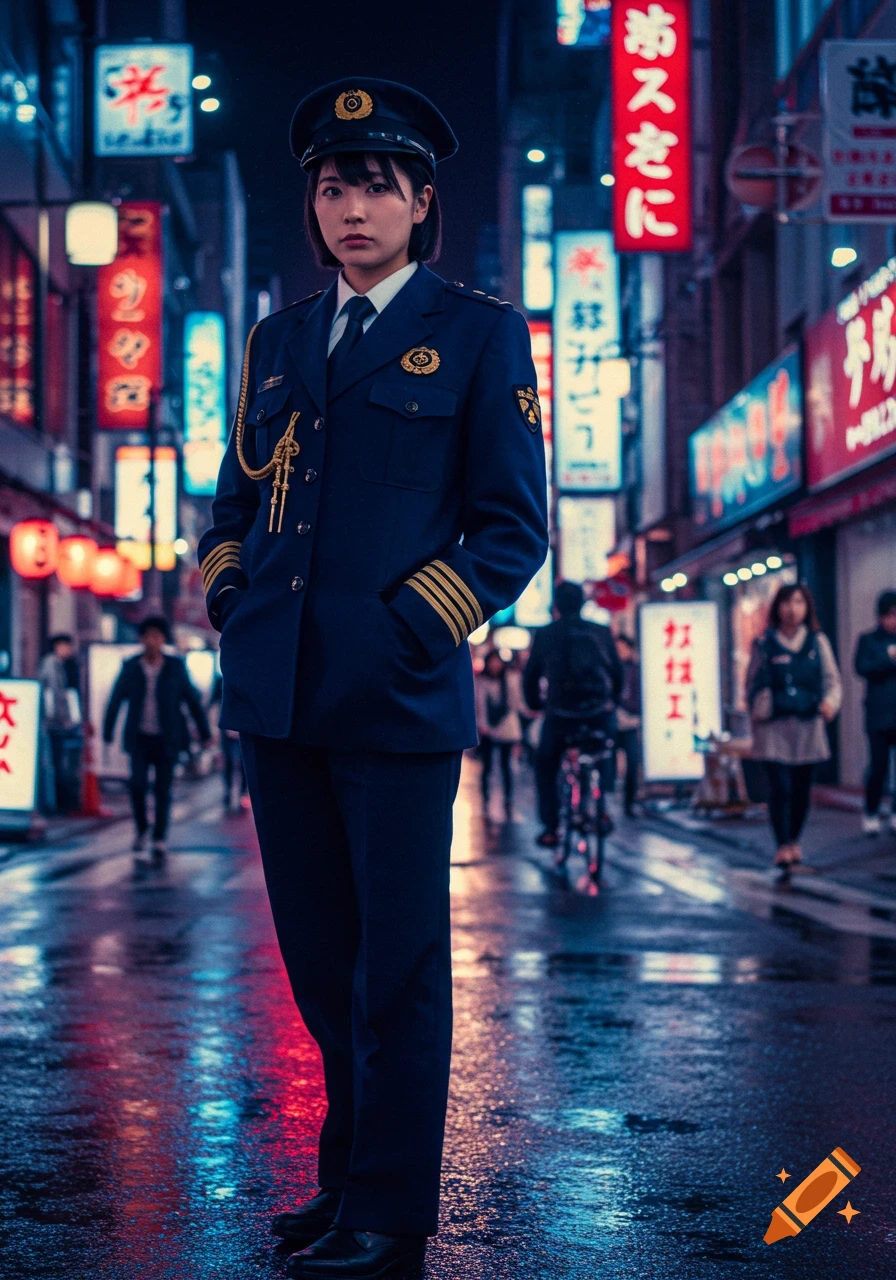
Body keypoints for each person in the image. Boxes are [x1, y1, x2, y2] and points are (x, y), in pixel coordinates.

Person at [196, 79, 548, 1279]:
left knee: (395, 968)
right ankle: (345, 1178)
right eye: (332, 186)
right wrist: (229, 598)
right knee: (317, 958)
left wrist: (415, 625)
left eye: (376, 186)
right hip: (280, 696)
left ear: (420, 202)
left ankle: (391, 1208)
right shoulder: (278, 338)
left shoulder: (478, 329)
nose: (351, 207)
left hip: (395, 701)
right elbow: (232, 502)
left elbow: (510, 529)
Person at [746, 583, 841, 873]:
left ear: (807, 607)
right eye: (787, 602)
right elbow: (751, 683)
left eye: (799, 602)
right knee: (780, 788)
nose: (792, 608)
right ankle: (782, 844)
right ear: (777, 607)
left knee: (801, 789)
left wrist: (829, 705)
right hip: (773, 728)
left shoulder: (817, 642)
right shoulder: (765, 643)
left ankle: (795, 840)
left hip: (808, 726)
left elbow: (832, 680)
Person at [522, 581, 623, 848]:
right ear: (583, 604)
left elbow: (530, 676)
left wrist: (535, 704)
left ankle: (551, 827)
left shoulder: (546, 634)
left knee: (545, 765)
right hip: (597, 712)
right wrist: (612, 701)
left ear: (555, 607)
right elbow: (617, 672)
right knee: (604, 751)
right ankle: (602, 807)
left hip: (560, 715)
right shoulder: (601, 632)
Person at [103, 616, 211, 857]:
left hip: (167, 739)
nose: (152, 641)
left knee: (163, 789)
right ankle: (142, 828)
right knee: (137, 785)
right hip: (139, 737)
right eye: (147, 636)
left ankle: (160, 836)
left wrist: (205, 733)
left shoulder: (175, 667)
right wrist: (108, 730)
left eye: (157, 636)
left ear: (163, 639)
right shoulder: (131, 666)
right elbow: (116, 699)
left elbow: (192, 700)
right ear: (141, 639)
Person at [854, 589, 896, 834]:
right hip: (878, 715)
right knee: (878, 767)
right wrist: (888, 660)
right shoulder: (868, 640)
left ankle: (894, 812)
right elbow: (861, 667)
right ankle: (871, 810)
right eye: (890, 615)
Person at [474, 649, 527, 818]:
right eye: (492, 661)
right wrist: (480, 725)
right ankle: (484, 797)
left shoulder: (511, 679)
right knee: (487, 765)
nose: (495, 665)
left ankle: (508, 797)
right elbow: (478, 704)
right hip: (486, 728)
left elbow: (517, 703)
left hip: (506, 728)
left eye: (498, 661)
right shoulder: (480, 681)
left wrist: (530, 712)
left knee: (506, 765)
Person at [37, 633, 82, 813]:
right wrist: (63, 718)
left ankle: (58, 802)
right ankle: (55, 803)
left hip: (58, 722)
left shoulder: (62, 665)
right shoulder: (51, 664)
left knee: (59, 762)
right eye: (67, 646)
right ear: (58, 646)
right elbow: (55, 694)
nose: (69, 650)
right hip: (54, 723)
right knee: (56, 763)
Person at [209, 671, 247, 810]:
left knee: (244, 764)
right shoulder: (220, 681)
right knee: (228, 762)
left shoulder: (246, 678)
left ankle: (242, 792)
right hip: (226, 729)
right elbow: (213, 704)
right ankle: (228, 792)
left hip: (244, 730)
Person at [615, 633, 642, 817]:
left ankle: (629, 802)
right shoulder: (612, 668)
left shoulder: (637, 670)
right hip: (613, 722)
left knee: (633, 762)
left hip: (631, 722)